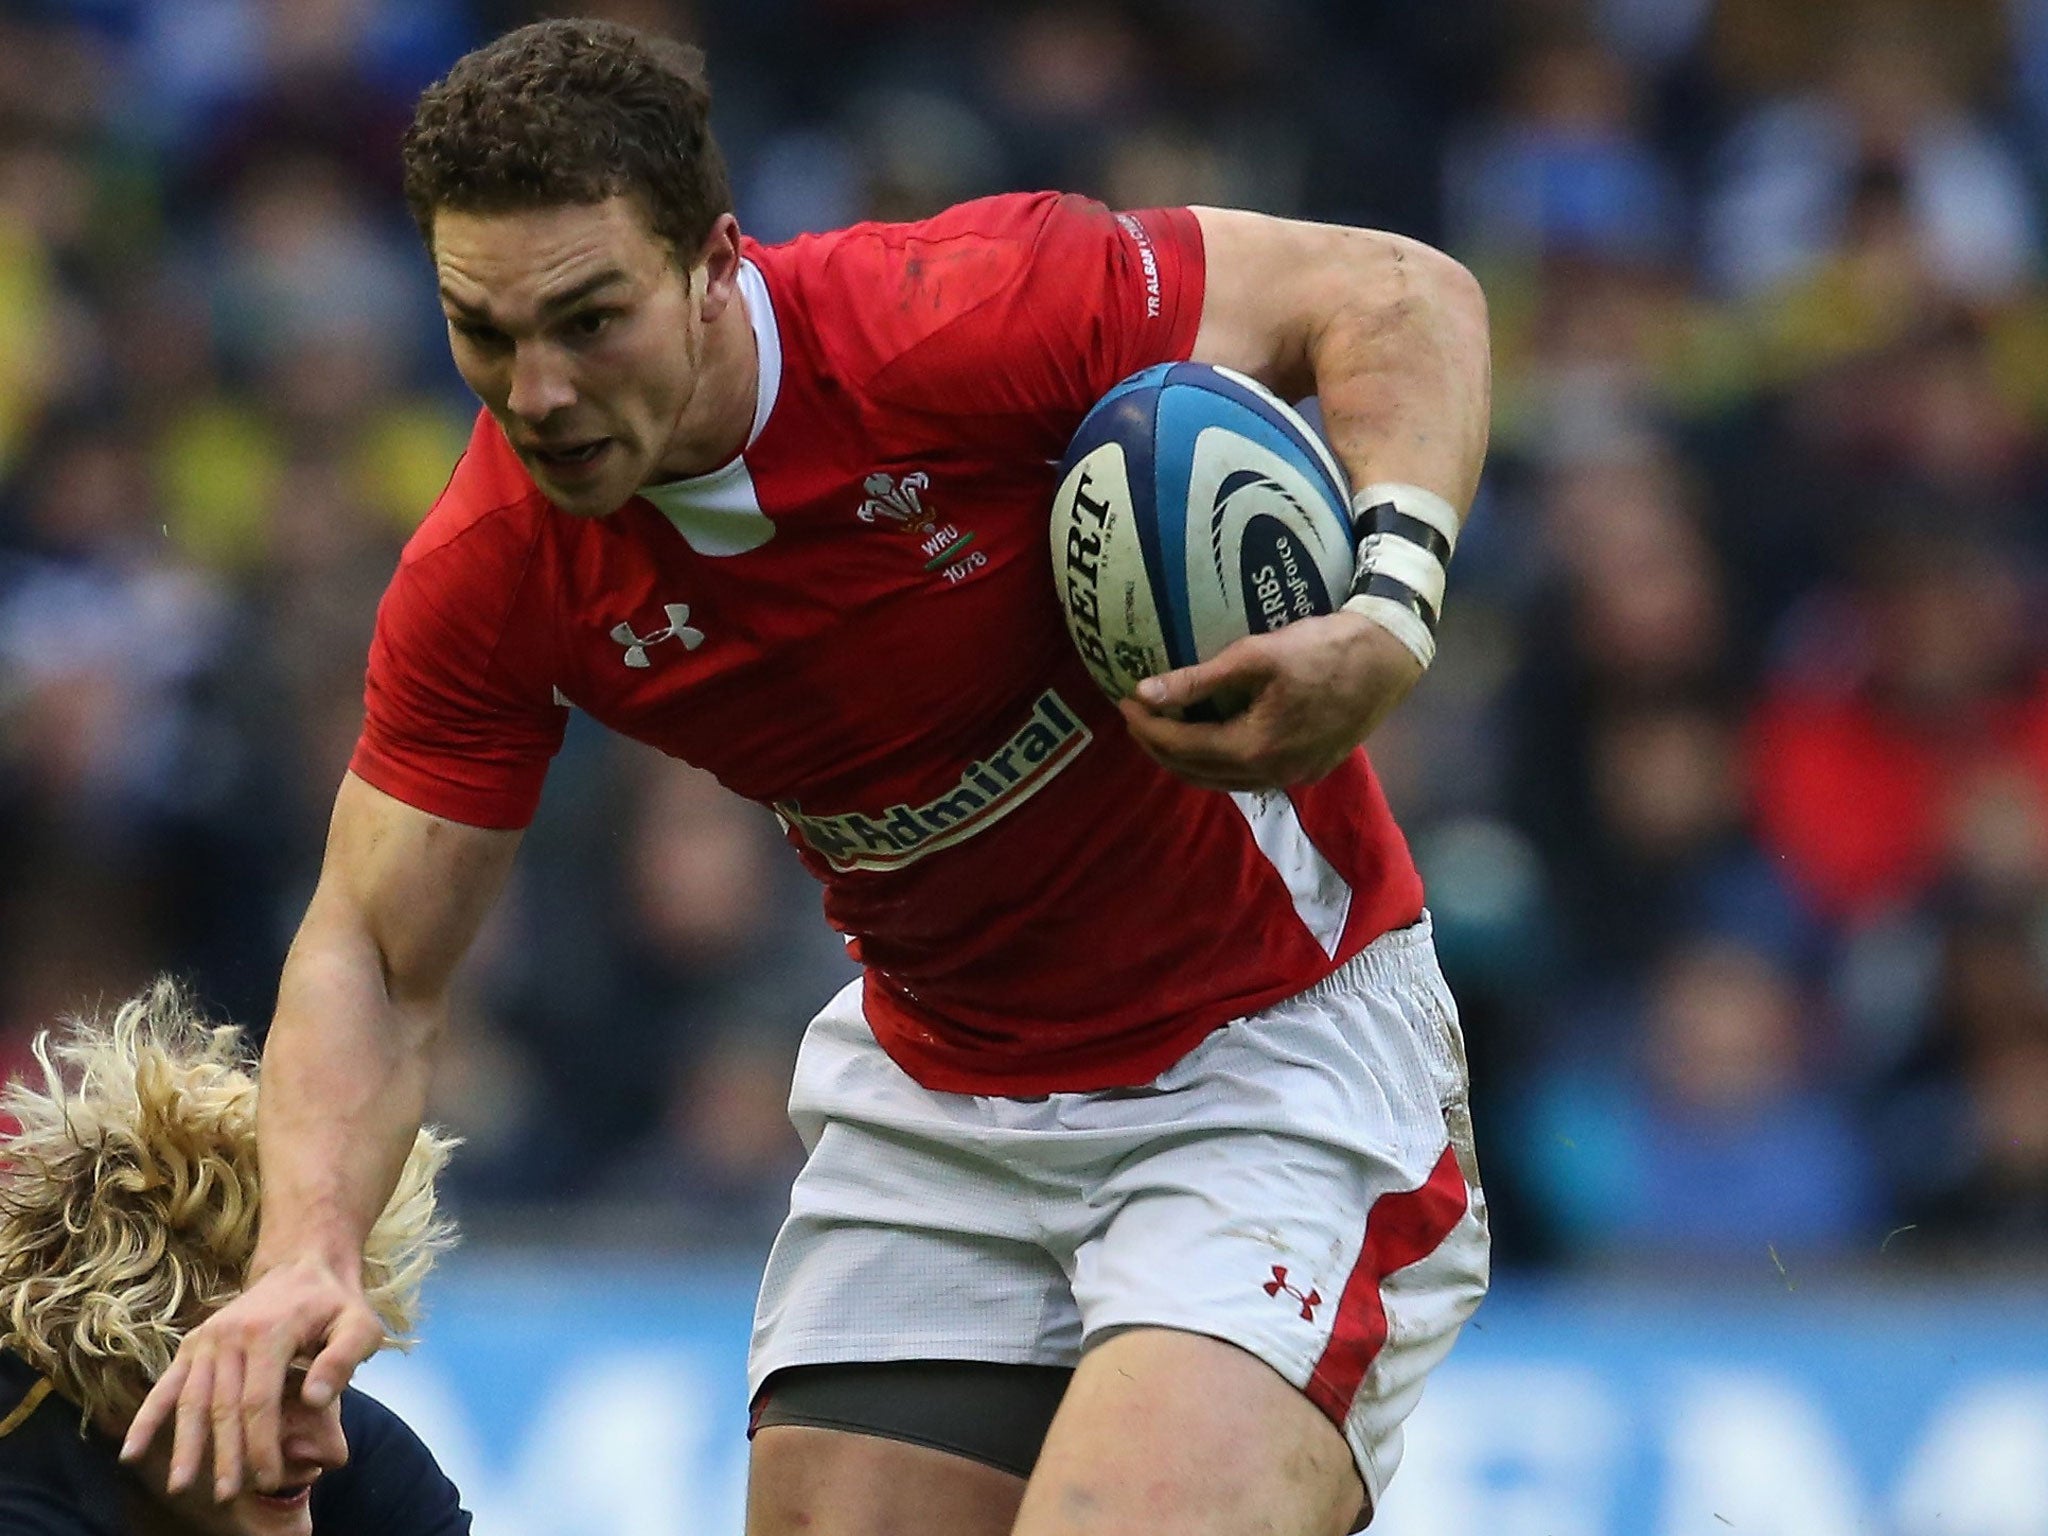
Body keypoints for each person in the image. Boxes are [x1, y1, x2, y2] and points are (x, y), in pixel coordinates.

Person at [126, 17, 1494, 1536]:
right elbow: (377, 954)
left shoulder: (956, 318)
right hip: (944, 1098)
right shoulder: (497, 566)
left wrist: (1389, 614)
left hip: (1265, 1061)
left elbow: (1395, 293)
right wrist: (307, 1250)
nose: (541, 393)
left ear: (716, 262)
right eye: (484, 333)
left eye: (591, 320)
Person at [0, 979, 471, 1534]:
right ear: (117, 1386)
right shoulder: (19, 1486)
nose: (330, 1447)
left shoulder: (370, 1480)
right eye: (274, 1390)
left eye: (333, 1385)